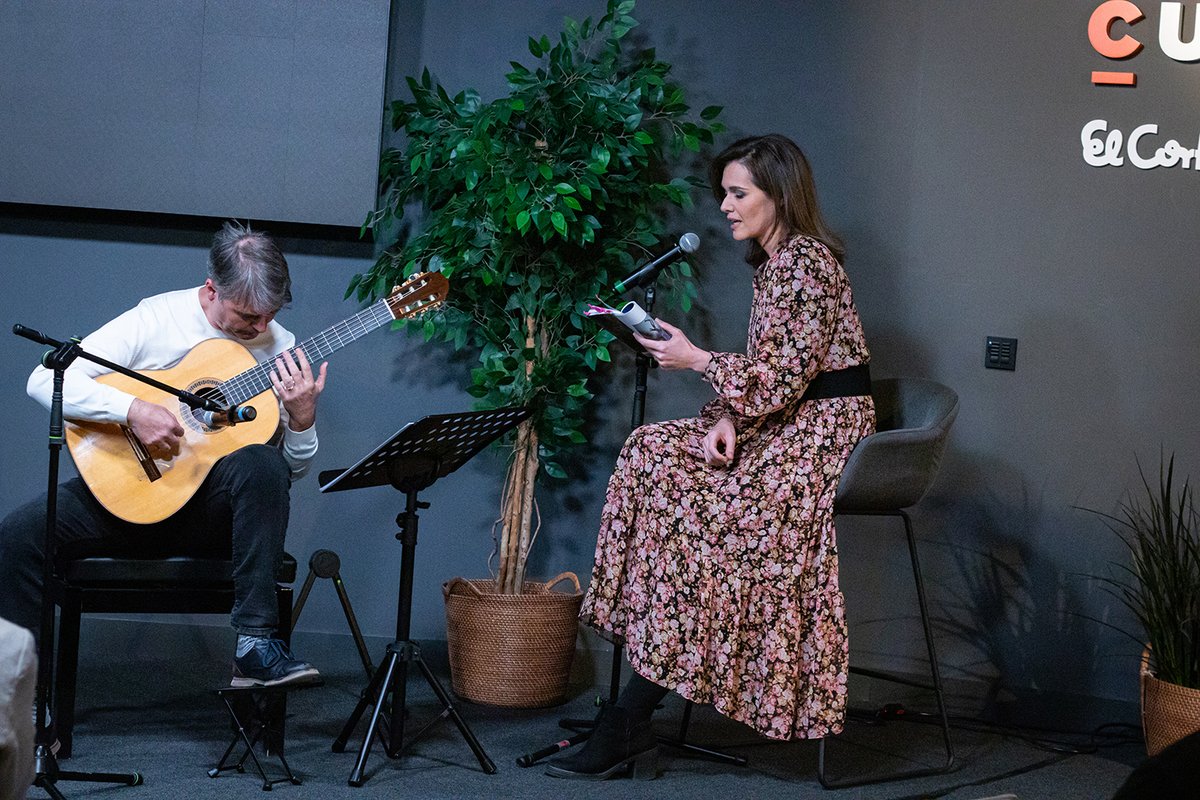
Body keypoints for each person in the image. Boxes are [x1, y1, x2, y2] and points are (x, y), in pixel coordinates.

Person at [546, 134, 876, 780]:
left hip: (822, 432)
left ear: (779, 194)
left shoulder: (806, 265)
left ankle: (632, 713)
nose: (724, 206)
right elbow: (775, 375)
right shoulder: (776, 265)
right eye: (723, 193)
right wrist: (728, 414)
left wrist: (696, 359)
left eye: (738, 193)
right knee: (651, 452)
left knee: (714, 529)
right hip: (786, 417)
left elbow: (782, 381)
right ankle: (641, 671)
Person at [0, 221, 327, 690]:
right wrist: (132, 410)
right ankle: (25, 705)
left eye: (268, 317)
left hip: (211, 518)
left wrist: (302, 421)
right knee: (17, 536)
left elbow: (283, 479)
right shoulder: (156, 318)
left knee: (263, 462)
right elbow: (42, 380)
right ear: (212, 290)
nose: (260, 328)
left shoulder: (281, 347)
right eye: (247, 316)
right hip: (128, 500)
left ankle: (254, 645)